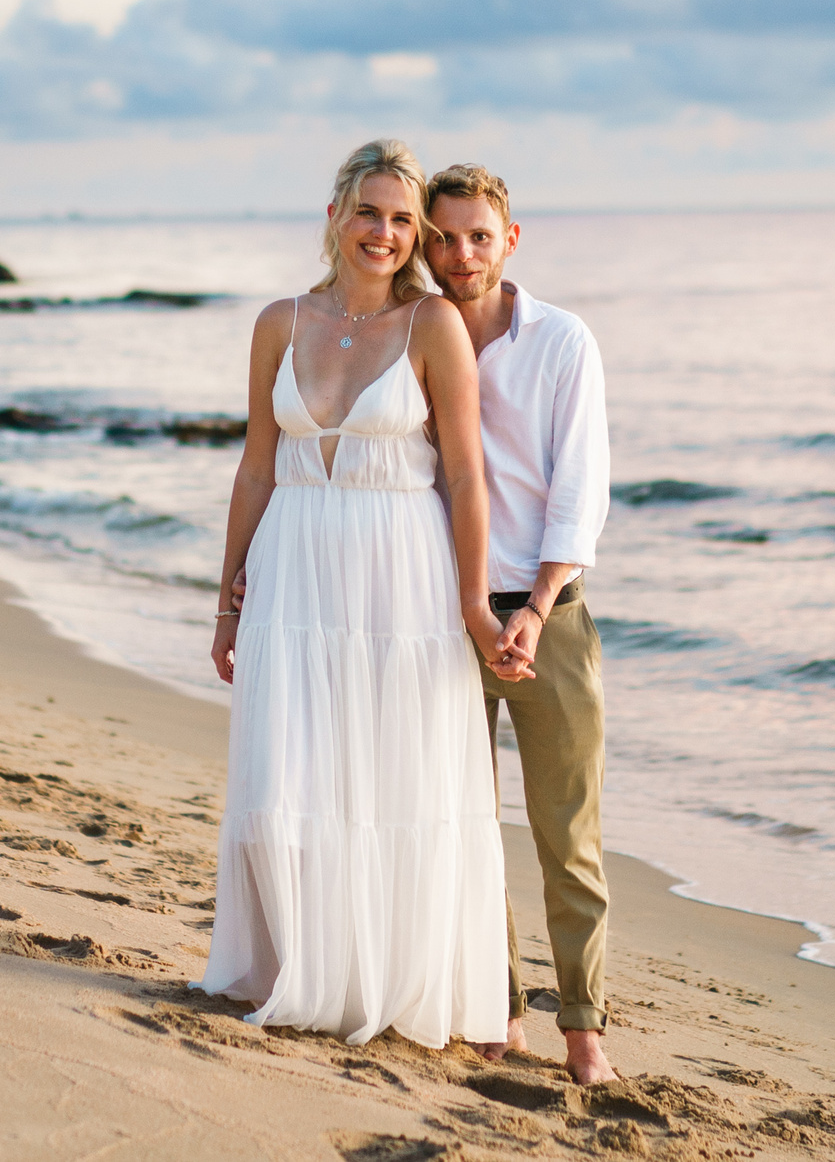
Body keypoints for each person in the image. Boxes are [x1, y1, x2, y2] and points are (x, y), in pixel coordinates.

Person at [197, 139, 515, 1049]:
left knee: (390, 773)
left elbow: (465, 474)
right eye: (370, 211)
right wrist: (227, 600)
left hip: (399, 579)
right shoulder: (278, 322)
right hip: (293, 569)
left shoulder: (433, 327)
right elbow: (257, 466)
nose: (384, 232)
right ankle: (300, 965)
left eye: (403, 219)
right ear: (334, 215)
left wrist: (472, 604)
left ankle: (391, 980)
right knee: (291, 762)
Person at [425, 162, 617, 1085]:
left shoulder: (562, 341)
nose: (461, 254)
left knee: (565, 830)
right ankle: (499, 1009)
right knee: (466, 820)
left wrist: (536, 610)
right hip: (443, 611)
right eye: (444, 237)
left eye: (477, 234)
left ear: (510, 236)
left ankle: (584, 1029)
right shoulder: (413, 337)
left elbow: (578, 493)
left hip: (552, 616)